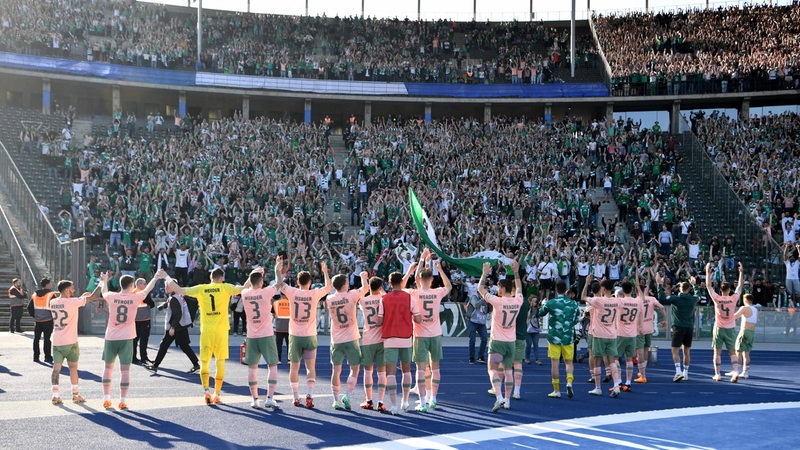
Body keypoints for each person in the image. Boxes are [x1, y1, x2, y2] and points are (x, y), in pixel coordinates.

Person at [168, 267, 248, 405]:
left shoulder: (202, 288)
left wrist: (166, 277)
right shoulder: (225, 287)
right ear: (221, 278)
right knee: (220, 362)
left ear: (211, 277)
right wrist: (254, 273)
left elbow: (180, 290)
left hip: (207, 331)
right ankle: (217, 394)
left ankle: (206, 391)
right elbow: (244, 287)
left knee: (205, 362)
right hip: (221, 331)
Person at [101, 269, 166, 409]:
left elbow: (103, 292)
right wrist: (155, 278)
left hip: (111, 336)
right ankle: (122, 400)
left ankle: (106, 398)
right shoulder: (134, 297)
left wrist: (104, 280)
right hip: (127, 337)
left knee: (108, 368)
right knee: (125, 371)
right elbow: (147, 290)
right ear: (131, 286)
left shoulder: (112, 296)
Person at [276, 260, 331, 409]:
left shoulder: (293, 292)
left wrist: (279, 270)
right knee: (310, 367)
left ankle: (295, 397)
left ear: (298, 282)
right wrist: (325, 271)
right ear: (310, 282)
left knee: (294, 368)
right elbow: (328, 287)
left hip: (295, 334)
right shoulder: (314, 293)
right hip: (310, 334)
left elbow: (280, 284)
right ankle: (310, 394)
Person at [409, 249, 452, 412]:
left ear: (419, 279)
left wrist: (421, 260)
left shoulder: (415, 292)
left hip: (420, 335)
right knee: (435, 368)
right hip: (435, 334)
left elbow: (413, 280)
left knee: (421, 369)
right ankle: (433, 398)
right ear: (432, 279)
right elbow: (448, 285)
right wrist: (439, 269)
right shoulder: (437, 292)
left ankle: (422, 400)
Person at [48, 280, 102, 405]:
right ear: (66, 290)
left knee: (56, 369)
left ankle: (55, 395)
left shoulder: (53, 302)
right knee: (73, 368)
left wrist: (81, 298)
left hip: (57, 340)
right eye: (72, 289)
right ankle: (75, 395)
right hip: (71, 341)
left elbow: (66, 301)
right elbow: (94, 297)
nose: (74, 291)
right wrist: (101, 284)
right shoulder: (73, 302)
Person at [479, 260, 523, 412]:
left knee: (492, 369)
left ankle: (499, 397)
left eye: (499, 287)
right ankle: (508, 400)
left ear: (503, 288)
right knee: (508, 371)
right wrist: (516, 272)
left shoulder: (498, 301)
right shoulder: (518, 301)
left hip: (497, 340)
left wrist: (485, 273)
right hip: (511, 341)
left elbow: (480, 289)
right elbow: (519, 289)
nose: (497, 290)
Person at [378, 268, 421, 415]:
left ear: (390, 283)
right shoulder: (410, 298)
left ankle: (394, 405)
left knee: (390, 372)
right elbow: (419, 318)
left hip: (389, 338)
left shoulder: (384, 299)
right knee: (406, 370)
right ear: (401, 282)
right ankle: (405, 401)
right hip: (406, 338)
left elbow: (379, 320)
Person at [240, 262, 282, 409]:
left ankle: (255, 399)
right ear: (262, 282)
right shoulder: (265, 292)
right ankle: (270, 398)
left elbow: (245, 286)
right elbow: (279, 283)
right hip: (266, 334)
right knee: (273, 365)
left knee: (252, 368)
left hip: (252, 335)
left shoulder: (245, 294)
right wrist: (277, 269)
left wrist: (255, 272)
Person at [326, 270, 369, 410]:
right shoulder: (351, 295)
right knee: (355, 368)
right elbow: (365, 288)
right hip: (351, 337)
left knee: (336, 370)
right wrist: (363, 277)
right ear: (345, 284)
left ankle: (335, 400)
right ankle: (347, 395)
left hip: (336, 339)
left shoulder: (330, 299)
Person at [538, 280, 580, 399]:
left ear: (556, 289)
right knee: (569, 362)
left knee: (555, 363)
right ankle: (569, 382)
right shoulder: (573, 304)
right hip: (568, 337)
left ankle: (556, 390)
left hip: (554, 337)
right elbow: (577, 319)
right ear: (566, 290)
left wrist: (543, 304)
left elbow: (541, 313)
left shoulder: (551, 302)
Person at [146, 283, 200, 374]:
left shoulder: (174, 299)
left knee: (164, 345)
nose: (165, 287)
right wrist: (163, 306)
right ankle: (196, 364)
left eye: (167, 286)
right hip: (181, 326)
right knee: (185, 346)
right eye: (165, 285)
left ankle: (155, 366)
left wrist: (173, 327)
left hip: (176, 327)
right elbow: (171, 305)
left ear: (174, 288)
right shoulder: (176, 296)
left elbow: (178, 314)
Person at [582, 276, 622, 397]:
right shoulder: (617, 301)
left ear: (603, 288)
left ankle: (598, 387)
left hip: (599, 334)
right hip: (612, 334)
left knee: (597, 360)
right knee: (612, 361)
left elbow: (583, 297)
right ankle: (616, 386)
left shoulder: (599, 301)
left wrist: (586, 283)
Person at [657, 272, 700, 382]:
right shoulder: (693, 299)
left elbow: (662, 298)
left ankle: (678, 371)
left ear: (680, 288)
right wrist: (694, 285)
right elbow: (698, 295)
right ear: (689, 289)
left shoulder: (676, 299)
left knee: (675, 351)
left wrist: (659, 284)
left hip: (678, 327)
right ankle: (685, 373)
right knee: (686, 351)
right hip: (689, 328)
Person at [706, 262, 744, 381]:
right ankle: (736, 371)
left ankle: (717, 374)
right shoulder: (733, 298)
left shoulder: (717, 298)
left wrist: (708, 272)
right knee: (732, 351)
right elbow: (740, 287)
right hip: (730, 328)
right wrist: (741, 272)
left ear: (721, 290)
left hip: (719, 327)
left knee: (717, 352)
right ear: (729, 290)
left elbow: (708, 286)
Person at [358, 276, 387, 411]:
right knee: (382, 373)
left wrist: (364, 279)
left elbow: (363, 292)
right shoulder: (384, 299)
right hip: (382, 339)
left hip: (368, 339)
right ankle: (381, 402)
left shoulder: (363, 300)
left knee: (367, 372)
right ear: (380, 288)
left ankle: (369, 400)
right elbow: (384, 294)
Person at [634, 270, 666, 384]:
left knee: (640, 352)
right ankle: (643, 371)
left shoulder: (636, 300)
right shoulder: (652, 299)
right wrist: (665, 320)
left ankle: (642, 375)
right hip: (649, 327)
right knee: (646, 349)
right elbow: (662, 308)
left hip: (640, 329)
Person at [614, 276, 643, 392]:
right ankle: (628, 382)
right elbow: (642, 297)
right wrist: (637, 286)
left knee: (615, 358)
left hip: (620, 333)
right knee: (629, 359)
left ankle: (619, 381)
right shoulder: (637, 301)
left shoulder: (620, 301)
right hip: (632, 334)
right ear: (632, 290)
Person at [731, 294, 758, 383]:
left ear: (745, 300)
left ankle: (736, 371)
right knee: (746, 353)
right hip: (752, 332)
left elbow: (734, 316)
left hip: (744, 331)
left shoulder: (744, 308)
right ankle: (745, 372)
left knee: (738, 351)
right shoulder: (755, 309)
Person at [31, 278, 56, 363]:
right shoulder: (51, 295)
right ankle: (47, 357)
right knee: (47, 339)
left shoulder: (35, 295)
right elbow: (55, 307)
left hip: (37, 321)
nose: (51, 285)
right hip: (48, 320)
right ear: (47, 285)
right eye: (50, 283)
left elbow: (29, 307)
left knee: (36, 339)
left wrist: (35, 316)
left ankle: (36, 357)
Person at [132, 278, 155, 365]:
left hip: (135, 319)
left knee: (135, 340)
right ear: (138, 284)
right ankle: (143, 358)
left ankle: (133, 357)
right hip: (144, 319)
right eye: (143, 284)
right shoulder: (144, 293)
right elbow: (152, 304)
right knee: (143, 339)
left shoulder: (132, 292)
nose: (145, 285)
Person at [465, 278, 488, 364]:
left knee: (485, 339)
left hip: (481, 322)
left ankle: (480, 356)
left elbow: (489, 310)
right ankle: (471, 357)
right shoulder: (474, 297)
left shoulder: (487, 300)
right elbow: (476, 305)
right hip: (473, 321)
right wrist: (484, 299)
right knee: (472, 340)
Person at [525, 297, 542, 365]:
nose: (535, 303)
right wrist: (530, 309)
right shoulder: (528, 309)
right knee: (528, 344)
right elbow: (527, 317)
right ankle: (527, 358)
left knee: (536, 344)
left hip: (536, 329)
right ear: (530, 302)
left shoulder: (538, 309)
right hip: (528, 329)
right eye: (534, 301)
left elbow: (540, 317)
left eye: (536, 301)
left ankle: (537, 359)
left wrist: (539, 309)